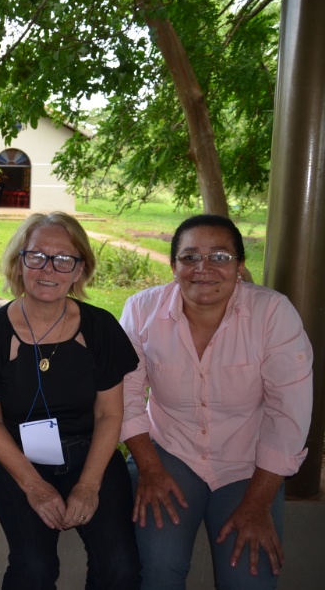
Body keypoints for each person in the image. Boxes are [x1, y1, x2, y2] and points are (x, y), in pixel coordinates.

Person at [120, 214, 313, 590]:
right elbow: (124, 395)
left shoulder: (272, 314)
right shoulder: (142, 310)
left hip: (248, 462)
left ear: (240, 267)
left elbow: (288, 413)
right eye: (189, 257)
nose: (203, 269)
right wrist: (149, 468)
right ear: (173, 265)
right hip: (168, 455)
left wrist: (258, 504)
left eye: (220, 257)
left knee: (250, 578)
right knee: (158, 570)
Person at [0, 211, 141, 590]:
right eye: (37, 256)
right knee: (35, 567)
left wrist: (89, 485)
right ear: (19, 261)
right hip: (16, 458)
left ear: (80, 270)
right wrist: (34, 486)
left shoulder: (101, 328)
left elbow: (110, 414)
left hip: (90, 454)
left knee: (121, 568)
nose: (49, 268)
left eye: (64, 259)